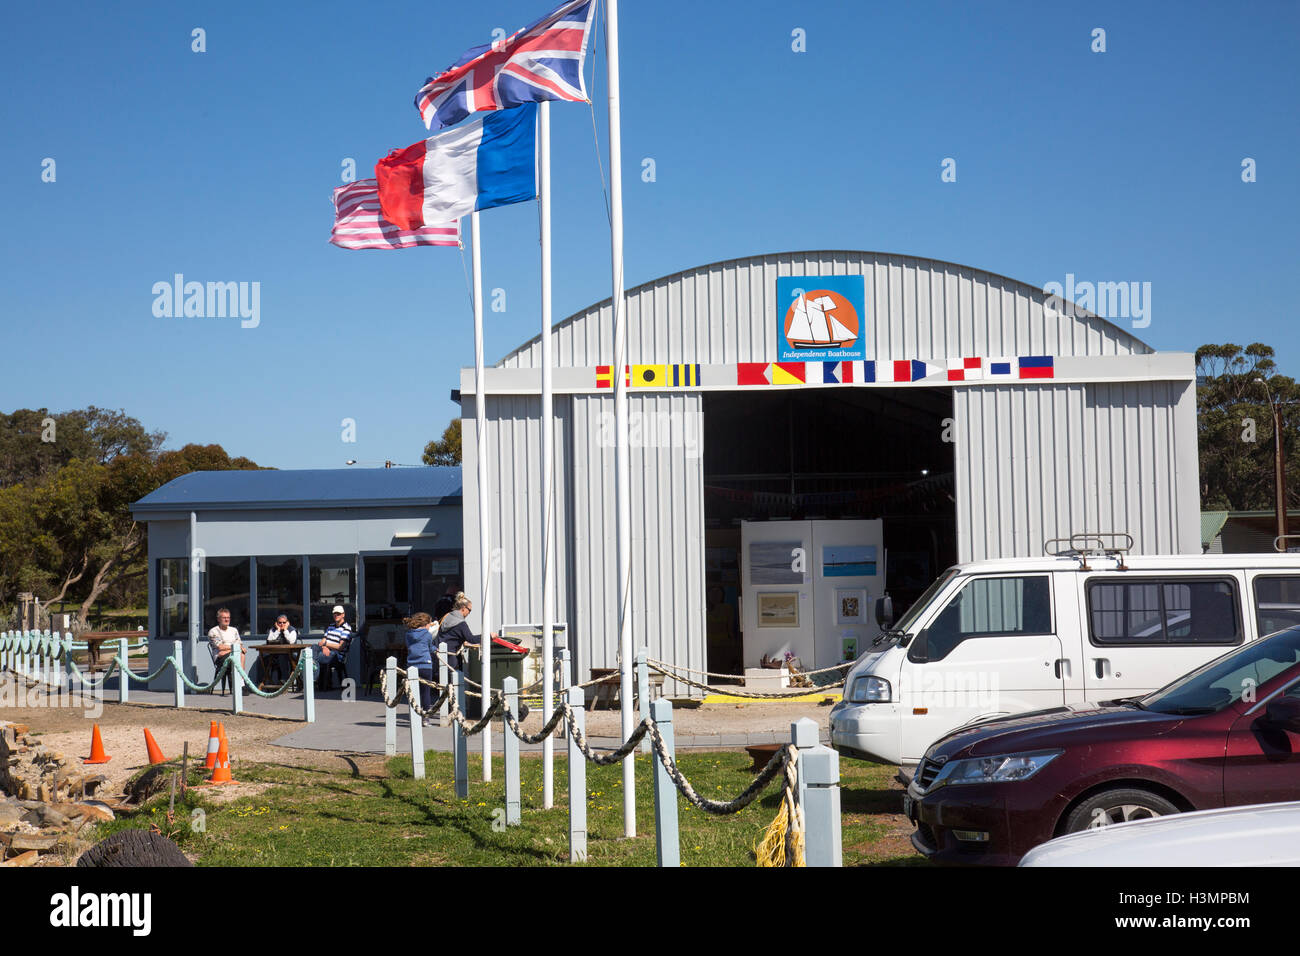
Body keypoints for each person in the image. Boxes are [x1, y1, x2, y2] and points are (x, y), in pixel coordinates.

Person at [403, 612, 439, 725]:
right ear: (426, 624)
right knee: (426, 692)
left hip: (412, 664)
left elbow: (409, 646)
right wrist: (435, 649)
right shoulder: (427, 634)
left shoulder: (408, 634)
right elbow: (429, 647)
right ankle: (425, 718)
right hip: (425, 664)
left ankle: (415, 716)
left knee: (413, 692)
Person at [315, 605, 353, 689]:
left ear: (343, 615)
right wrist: (325, 647)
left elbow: (340, 647)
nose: (336, 615)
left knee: (316, 657)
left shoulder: (346, 628)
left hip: (338, 656)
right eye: (334, 614)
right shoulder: (331, 626)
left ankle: (315, 679)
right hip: (327, 651)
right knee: (313, 648)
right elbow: (322, 642)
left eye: (338, 614)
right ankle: (318, 679)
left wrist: (326, 644)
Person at [207, 608, 245, 691]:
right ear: (218, 619)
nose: (227, 619)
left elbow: (240, 644)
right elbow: (220, 647)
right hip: (219, 658)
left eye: (228, 617)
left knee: (241, 654)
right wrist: (234, 647)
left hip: (229, 654)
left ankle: (240, 682)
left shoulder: (233, 630)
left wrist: (228, 649)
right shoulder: (213, 631)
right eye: (224, 617)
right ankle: (241, 685)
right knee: (239, 654)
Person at [265, 614, 298, 684]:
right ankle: (267, 682)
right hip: (274, 654)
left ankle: (285, 679)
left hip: (290, 654)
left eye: (284, 622)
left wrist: (285, 630)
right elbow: (269, 640)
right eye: (280, 622)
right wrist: (278, 630)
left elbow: (291, 642)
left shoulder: (292, 630)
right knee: (263, 658)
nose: (282, 624)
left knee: (282, 656)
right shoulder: (273, 629)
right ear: (277, 623)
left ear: (287, 623)